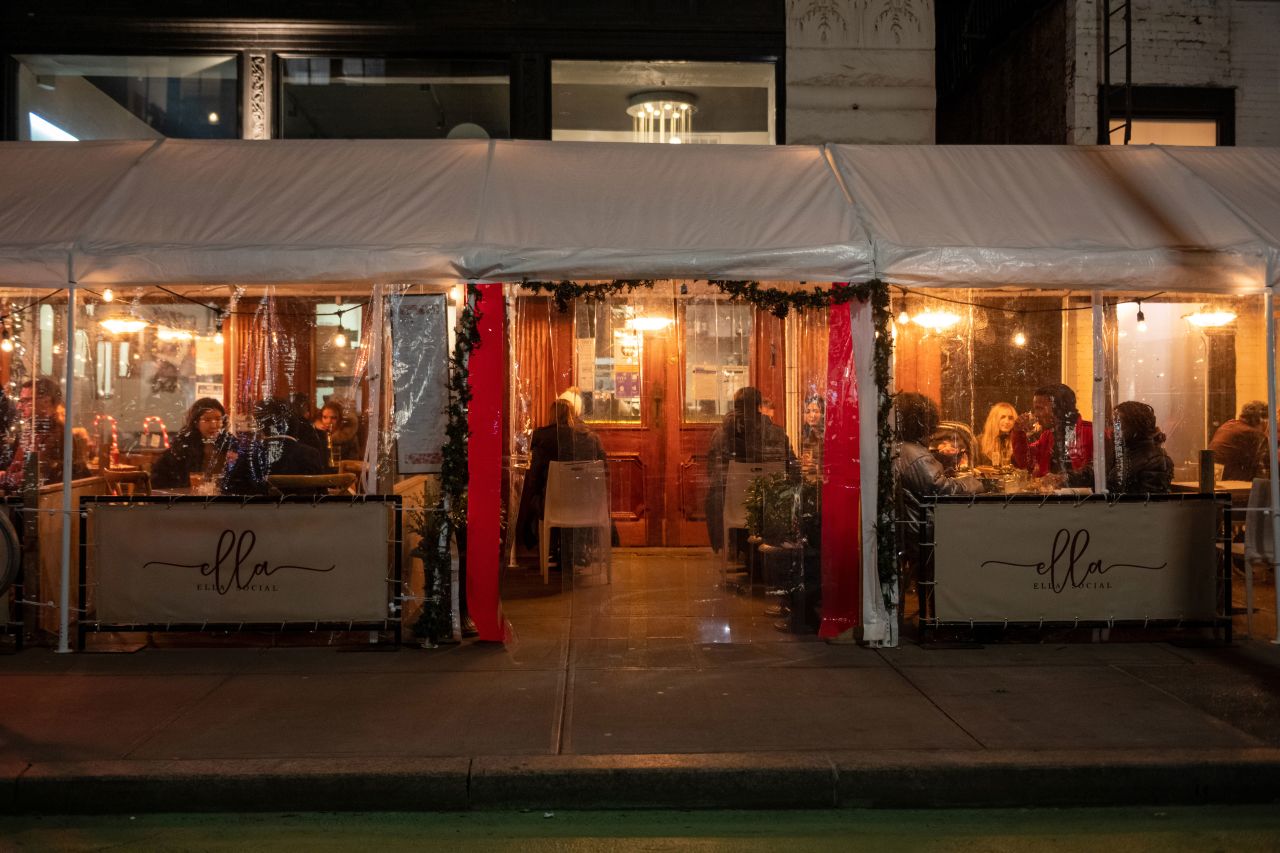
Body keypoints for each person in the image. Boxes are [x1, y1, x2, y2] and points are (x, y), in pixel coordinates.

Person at [893, 393, 985, 612]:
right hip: (927, 531)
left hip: (914, 529)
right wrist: (975, 483)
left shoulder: (901, 448)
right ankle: (954, 613)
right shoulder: (915, 454)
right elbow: (942, 489)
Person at [705, 386, 797, 555]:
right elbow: (793, 467)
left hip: (733, 507)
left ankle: (733, 546)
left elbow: (712, 471)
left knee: (716, 495)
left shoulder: (720, 435)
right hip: (769, 506)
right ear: (758, 406)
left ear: (734, 405)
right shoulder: (775, 433)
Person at [516, 399, 609, 567]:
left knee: (539, 498)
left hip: (555, 505)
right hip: (586, 505)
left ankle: (549, 548)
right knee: (570, 496)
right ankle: (576, 549)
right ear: (572, 414)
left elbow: (535, 476)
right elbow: (604, 470)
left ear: (551, 415)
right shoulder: (590, 438)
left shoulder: (542, 437)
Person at [221, 399, 325, 495]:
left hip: (258, 514)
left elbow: (228, 491)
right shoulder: (311, 454)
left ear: (261, 426)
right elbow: (322, 494)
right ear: (294, 424)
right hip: (304, 514)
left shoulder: (250, 454)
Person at [3, 377, 90, 489]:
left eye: (26, 401)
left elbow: (32, 478)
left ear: (47, 402)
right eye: (20, 401)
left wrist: (4, 478)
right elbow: (15, 469)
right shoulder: (33, 431)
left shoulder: (56, 434)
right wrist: (7, 476)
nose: (19, 407)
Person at [1011, 383, 1094, 485]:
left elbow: (1098, 473)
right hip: (1051, 499)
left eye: (1040, 408)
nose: (1035, 414)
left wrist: (1063, 478)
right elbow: (1024, 463)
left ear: (1059, 409)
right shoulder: (1047, 436)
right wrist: (1018, 432)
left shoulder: (1091, 433)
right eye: (1035, 409)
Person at [150, 397, 238, 489]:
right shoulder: (182, 447)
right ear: (196, 423)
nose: (213, 425)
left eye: (218, 419)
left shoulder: (230, 444)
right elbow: (159, 480)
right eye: (207, 420)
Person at [1107, 401, 1174, 494]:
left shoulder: (1156, 461)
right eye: (1112, 424)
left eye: (1118, 425)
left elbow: (1149, 504)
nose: (1112, 430)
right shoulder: (1124, 452)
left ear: (1135, 427)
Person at [1208, 400, 1268, 481]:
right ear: (1261, 420)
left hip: (1212, 477)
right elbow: (1260, 466)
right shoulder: (1252, 433)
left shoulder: (1229, 424)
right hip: (1231, 482)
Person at [977, 402, 1018, 469]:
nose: (1007, 421)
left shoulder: (1016, 442)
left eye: (1010, 418)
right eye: (1002, 417)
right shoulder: (979, 441)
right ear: (994, 419)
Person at [799, 396, 825, 478]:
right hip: (807, 476)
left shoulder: (827, 433)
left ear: (822, 413)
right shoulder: (801, 433)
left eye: (816, 411)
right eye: (807, 411)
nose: (812, 415)